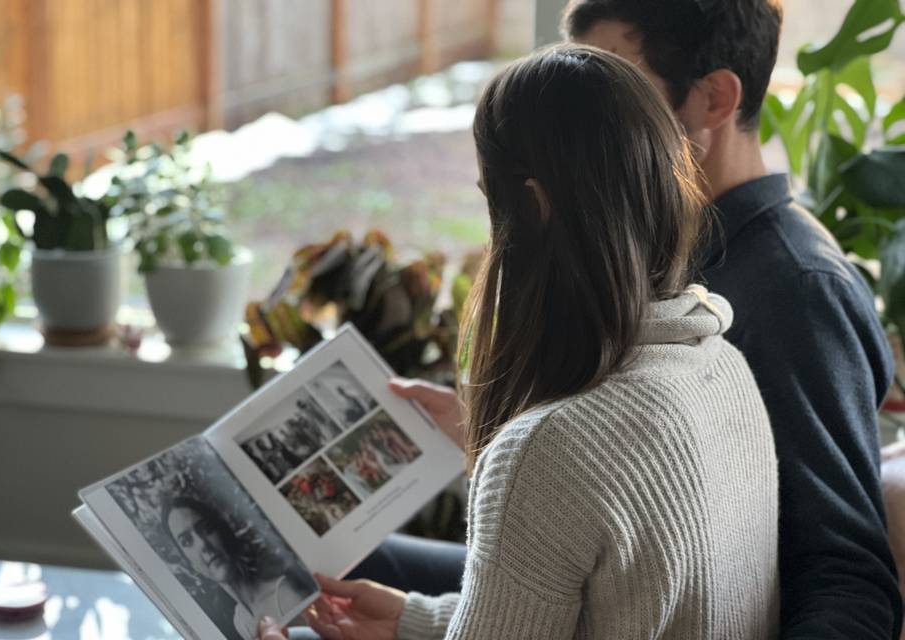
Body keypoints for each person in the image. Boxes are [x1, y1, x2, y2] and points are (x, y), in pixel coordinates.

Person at [347, 2, 903, 638]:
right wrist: (490, 430)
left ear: (714, 100)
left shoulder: (794, 292)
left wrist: (533, 451)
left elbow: (845, 578)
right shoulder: (702, 319)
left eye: (618, 83)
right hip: (629, 582)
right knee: (348, 565)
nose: (598, 107)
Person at [264, 44, 780, 639]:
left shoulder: (550, 449)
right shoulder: (725, 368)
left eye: (493, 201)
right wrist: (413, 623)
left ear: (534, 206)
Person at [162, 496, 313, 640]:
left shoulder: (286, 596)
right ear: (190, 564)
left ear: (223, 531)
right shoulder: (240, 619)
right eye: (187, 541)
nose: (202, 544)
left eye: (206, 528)